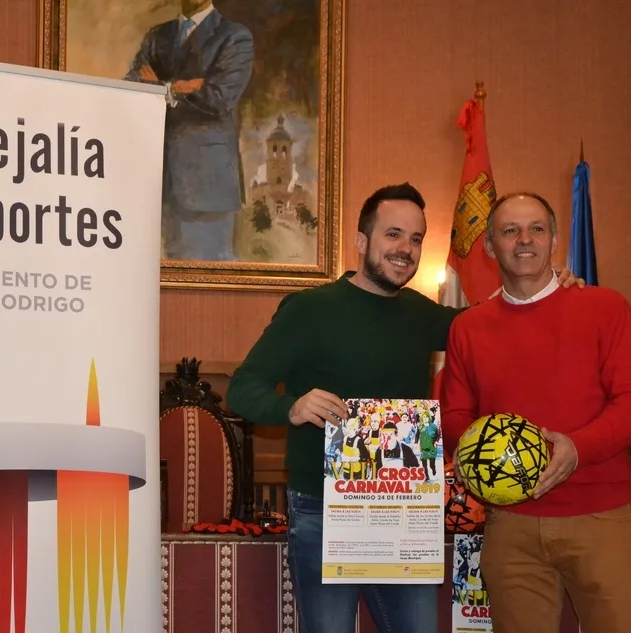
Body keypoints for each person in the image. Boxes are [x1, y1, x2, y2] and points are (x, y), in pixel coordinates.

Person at [226, 184, 582, 633]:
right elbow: (242, 388)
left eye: (416, 239)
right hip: (324, 507)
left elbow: (495, 323)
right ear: (361, 241)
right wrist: (291, 406)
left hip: (406, 508)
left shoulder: (422, 313)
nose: (405, 249)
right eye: (393, 234)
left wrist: (549, 289)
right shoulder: (308, 309)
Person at [440, 192, 631, 633]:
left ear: (554, 240)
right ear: (489, 246)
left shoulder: (606, 308)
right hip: (510, 524)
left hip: (599, 518)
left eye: (536, 228)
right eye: (510, 230)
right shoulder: (467, 327)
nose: (525, 239)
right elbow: (456, 415)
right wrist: (481, 454)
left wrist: (578, 448)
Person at [125, 1, 253, 261]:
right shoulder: (157, 36)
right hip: (157, 181)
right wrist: (183, 87)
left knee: (205, 277)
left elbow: (219, 99)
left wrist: (162, 88)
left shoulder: (234, 36)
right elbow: (132, 88)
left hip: (206, 185)